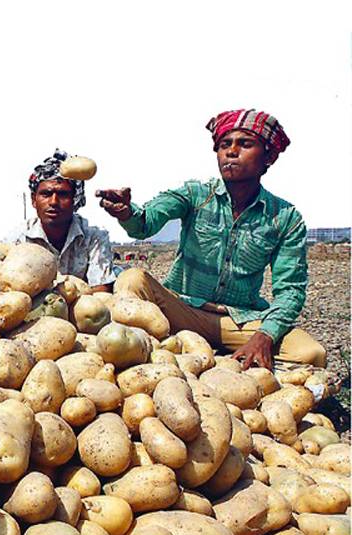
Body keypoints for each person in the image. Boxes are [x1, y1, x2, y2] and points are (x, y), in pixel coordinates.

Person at [97, 109, 325, 369]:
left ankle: (223, 359)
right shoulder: (196, 194)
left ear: (268, 157)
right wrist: (127, 212)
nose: (231, 152)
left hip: (237, 320)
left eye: (245, 144)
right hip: (180, 309)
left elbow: (290, 290)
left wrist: (264, 335)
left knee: (311, 354)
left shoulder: (285, 218)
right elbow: (145, 223)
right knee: (133, 278)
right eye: (225, 144)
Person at [4, 149, 117, 291]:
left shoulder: (93, 238)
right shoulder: (18, 239)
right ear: (34, 200)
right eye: (46, 194)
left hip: (81, 304)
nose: (53, 202)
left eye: (63, 194)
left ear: (75, 200)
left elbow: (101, 292)